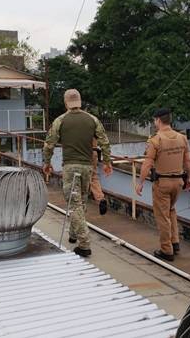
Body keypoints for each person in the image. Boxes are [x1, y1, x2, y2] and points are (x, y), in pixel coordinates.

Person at [43, 89, 112, 257]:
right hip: (88, 167)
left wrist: (47, 163)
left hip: (70, 168)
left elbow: (49, 144)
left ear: (66, 102)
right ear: (79, 102)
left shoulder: (60, 121)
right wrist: (107, 162)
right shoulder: (92, 119)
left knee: (74, 205)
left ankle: (84, 244)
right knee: (80, 203)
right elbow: (105, 142)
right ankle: (73, 235)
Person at [135, 108, 190, 262]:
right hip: (178, 182)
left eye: (155, 120)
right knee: (171, 210)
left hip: (162, 183)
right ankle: (175, 242)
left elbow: (147, 164)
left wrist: (140, 182)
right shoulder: (182, 138)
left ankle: (166, 250)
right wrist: (189, 178)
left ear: (158, 120)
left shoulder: (155, 140)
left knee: (162, 216)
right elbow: (188, 161)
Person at [90, 138, 108, 215]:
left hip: (81, 153)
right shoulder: (95, 125)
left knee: (81, 176)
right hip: (94, 152)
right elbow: (103, 139)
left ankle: (79, 202)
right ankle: (100, 198)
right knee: (93, 176)